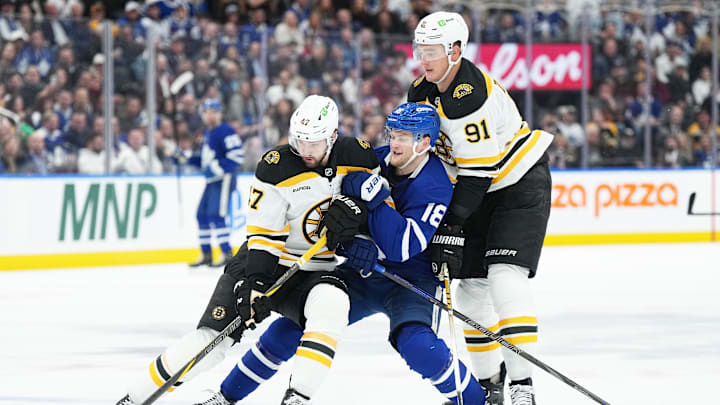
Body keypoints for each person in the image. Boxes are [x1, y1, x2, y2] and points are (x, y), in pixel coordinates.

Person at [194, 103, 487, 405]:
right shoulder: (372, 160)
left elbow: (402, 248)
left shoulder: (436, 182)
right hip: (362, 272)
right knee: (290, 329)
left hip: (412, 279)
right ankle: (225, 398)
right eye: (393, 133)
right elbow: (338, 213)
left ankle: (478, 402)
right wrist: (351, 242)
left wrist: (375, 197)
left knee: (419, 347)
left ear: (424, 142)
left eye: (404, 137)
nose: (394, 142)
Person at [115, 95, 378, 405]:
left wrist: (357, 211)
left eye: (314, 142)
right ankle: (133, 398)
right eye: (300, 140)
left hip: (314, 273)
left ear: (333, 136)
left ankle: (298, 398)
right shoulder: (275, 167)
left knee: (332, 306)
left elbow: (378, 198)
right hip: (262, 262)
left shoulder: (358, 155)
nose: (305, 150)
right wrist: (255, 284)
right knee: (212, 342)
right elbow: (264, 237)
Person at [408, 11, 554, 405]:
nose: (424, 58)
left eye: (433, 50)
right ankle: (488, 387)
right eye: (420, 49)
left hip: (517, 183)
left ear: (456, 51)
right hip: (476, 191)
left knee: (505, 277)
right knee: (471, 290)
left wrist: (450, 224)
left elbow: (478, 172)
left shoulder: (470, 95)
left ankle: (522, 386)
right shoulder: (420, 91)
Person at [184, 98, 245, 268]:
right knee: (201, 215)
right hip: (211, 181)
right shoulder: (207, 132)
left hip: (224, 180)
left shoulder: (226, 131)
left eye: (213, 112)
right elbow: (206, 162)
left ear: (219, 114)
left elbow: (237, 157)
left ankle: (226, 254)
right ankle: (206, 254)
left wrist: (218, 168)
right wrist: (187, 158)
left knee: (216, 215)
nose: (209, 116)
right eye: (206, 112)